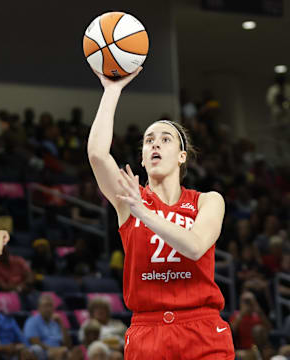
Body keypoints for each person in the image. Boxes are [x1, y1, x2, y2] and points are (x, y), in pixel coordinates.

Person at [87, 67, 235, 359]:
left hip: (202, 329)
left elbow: (194, 247)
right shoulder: (129, 199)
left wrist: (143, 212)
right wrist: (112, 90)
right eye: (148, 140)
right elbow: (97, 155)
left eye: (165, 139)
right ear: (142, 158)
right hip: (147, 330)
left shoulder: (208, 201)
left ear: (182, 156)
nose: (155, 143)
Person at [23, 294, 70, 360]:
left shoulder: (55, 323)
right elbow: (35, 342)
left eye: (50, 305)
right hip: (43, 352)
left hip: (59, 351)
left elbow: (67, 344)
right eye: (45, 306)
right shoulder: (32, 321)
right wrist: (55, 350)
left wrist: (61, 324)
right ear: (39, 308)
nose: (48, 309)